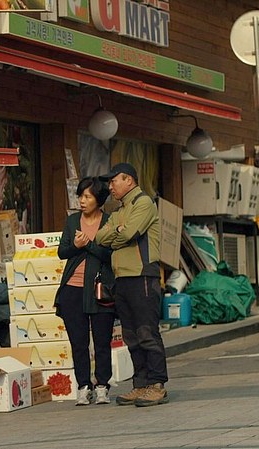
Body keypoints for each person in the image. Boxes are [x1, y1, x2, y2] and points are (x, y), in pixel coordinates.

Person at [94, 163, 168, 407]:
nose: (110, 186)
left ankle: (157, 385)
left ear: (129, 180)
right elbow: (100, 237)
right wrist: (118, 231)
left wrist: (117, 234)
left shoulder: (143, 203)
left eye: (113, 181)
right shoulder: (120, 209)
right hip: (122, 278)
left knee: (147, 332)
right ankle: (141, 384)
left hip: (142, 276)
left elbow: (129, 234)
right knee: (131, 335)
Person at [55, 177, 115, 406]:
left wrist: (88, 244)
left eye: (87, 196)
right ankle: (83, 386)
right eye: (80, 196)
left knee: (102, 341)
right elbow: (62, 252)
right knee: (78, 342)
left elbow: (110, 255)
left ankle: (102, 386)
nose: (82, 200)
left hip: (100, 289)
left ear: (98, 199)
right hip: (72, 289)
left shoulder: (109, 221)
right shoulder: (72, 221)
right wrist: (75, 246)